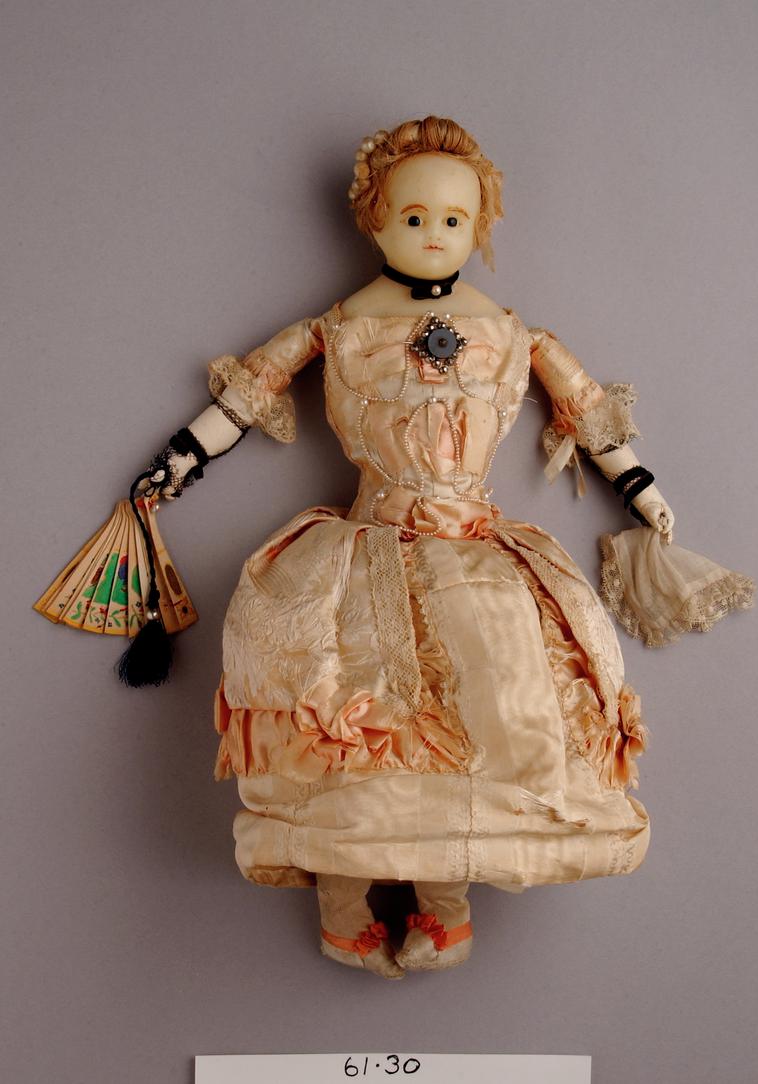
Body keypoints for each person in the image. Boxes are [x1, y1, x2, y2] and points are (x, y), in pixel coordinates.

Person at [143, 116, 673, 979]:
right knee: (350, 721)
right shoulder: (336, 327)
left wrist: (640, 486)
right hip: (364, 551)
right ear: (376, 221)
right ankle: (344, 905)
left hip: (480, 554)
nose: (434, 234)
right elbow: (243, 398)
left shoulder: (513, 332)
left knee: (490, 712)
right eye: (414, 216)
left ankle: (446, 907)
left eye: (454, 219)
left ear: (479, 226)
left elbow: (592, 419)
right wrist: (178, 461)